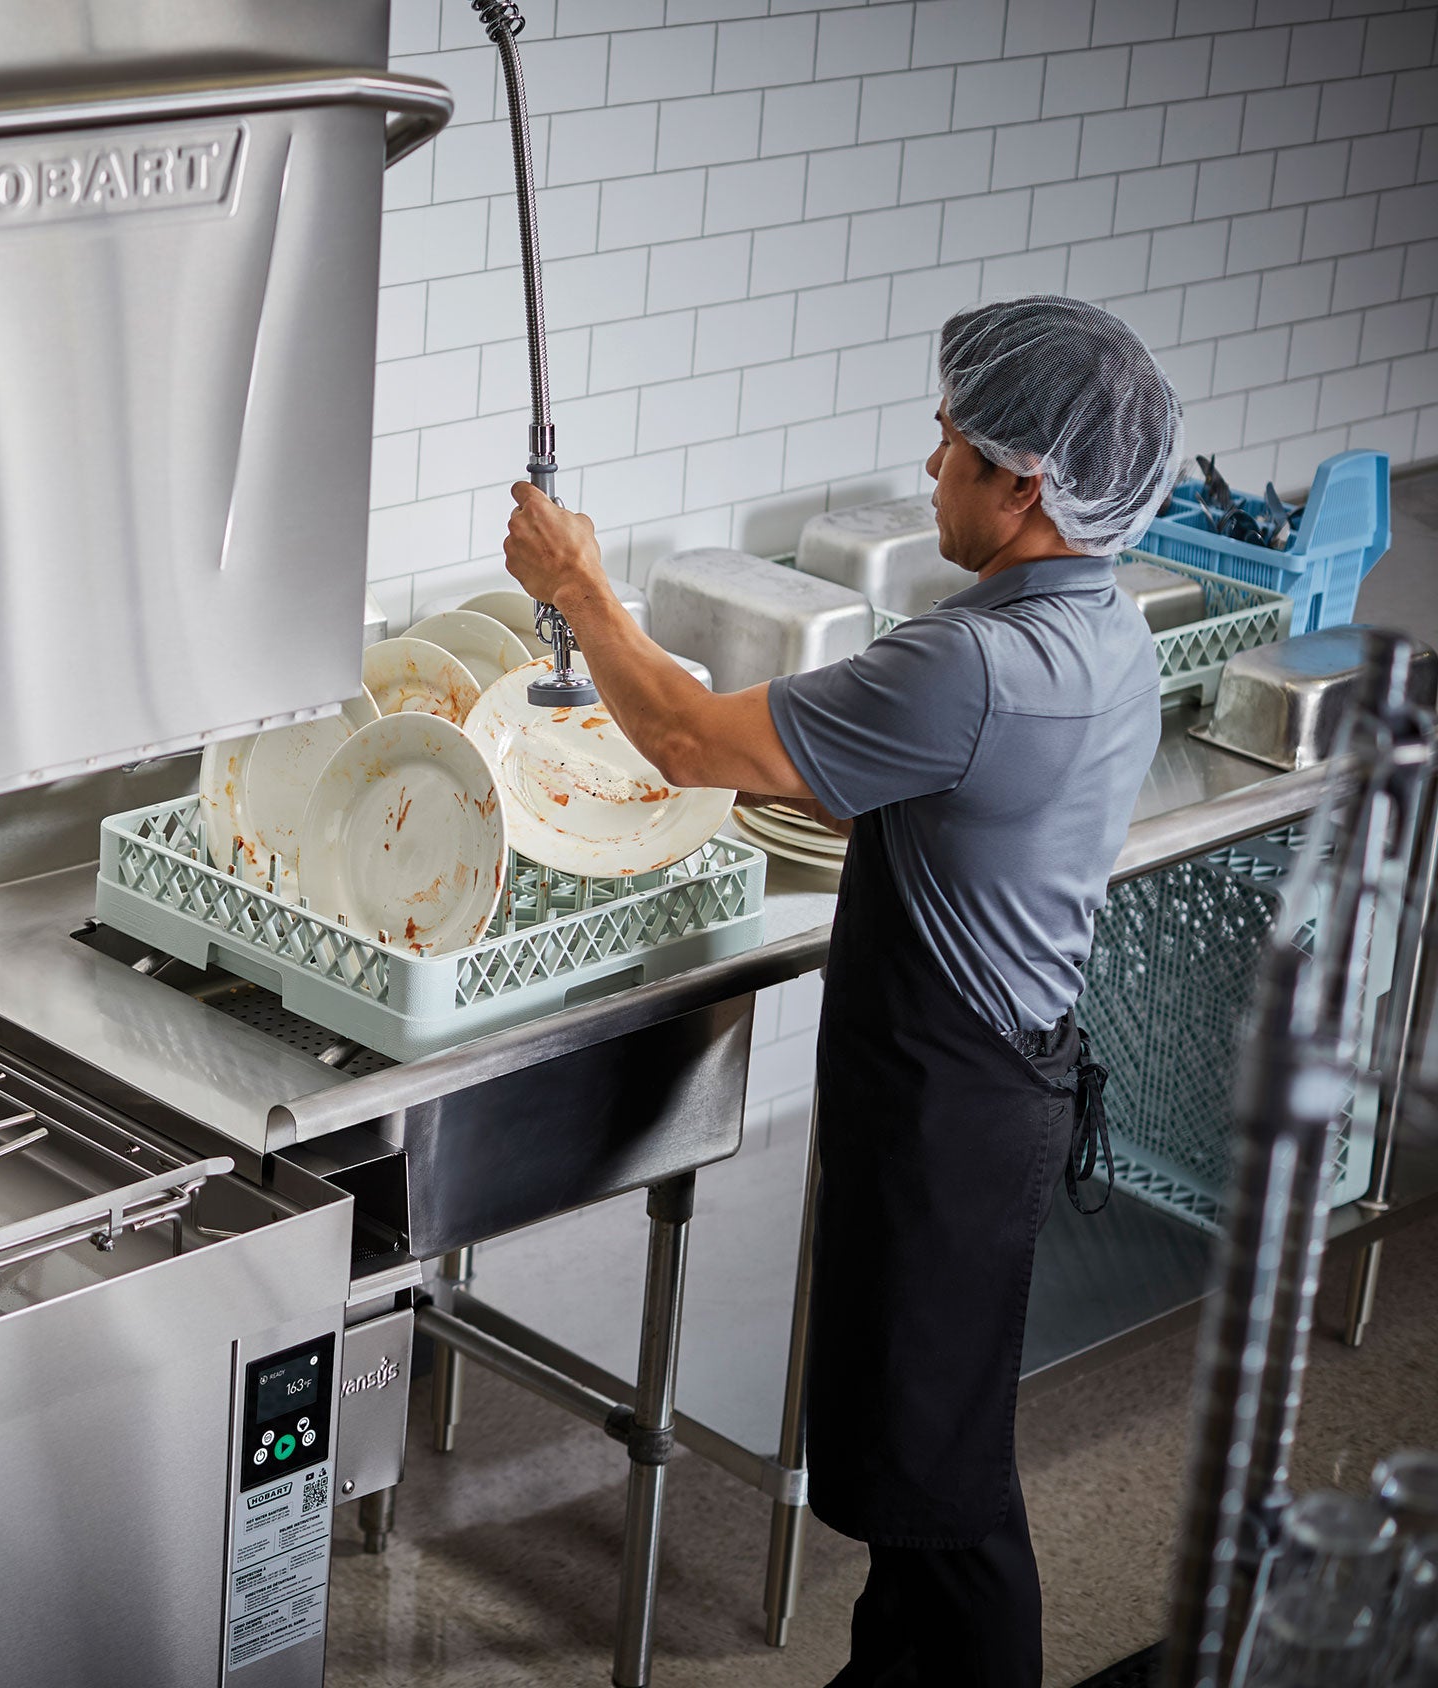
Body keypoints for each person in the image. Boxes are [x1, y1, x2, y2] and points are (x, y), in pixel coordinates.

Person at [498, 296, 1181, 1686]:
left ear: (1024, 481)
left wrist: (578, 589)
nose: (929, 464)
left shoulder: (977, 667)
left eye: (950, 443)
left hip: (944, 1111)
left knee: (940, 1498)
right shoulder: (1098, 630)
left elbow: (690, 739)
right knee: (921, 1450)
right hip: (998, 1086)